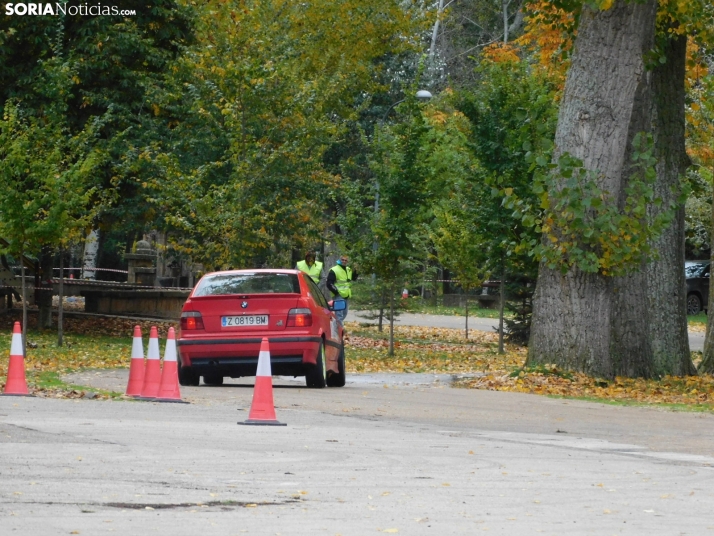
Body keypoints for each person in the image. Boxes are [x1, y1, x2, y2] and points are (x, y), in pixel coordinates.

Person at [327, 255, 358, 323]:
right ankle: (339, 331)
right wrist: (336, 292)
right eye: (342, 260)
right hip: (338, 295)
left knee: (344, 313)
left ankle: (335, 327)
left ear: (347, 261)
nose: (344, 261)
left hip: (346, 295)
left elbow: (353, 278)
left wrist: (356, 270)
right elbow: (329, 283)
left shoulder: (348, 269)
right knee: (339, 315)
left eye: (345, 260)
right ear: (339, 260)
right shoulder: (334, 270)